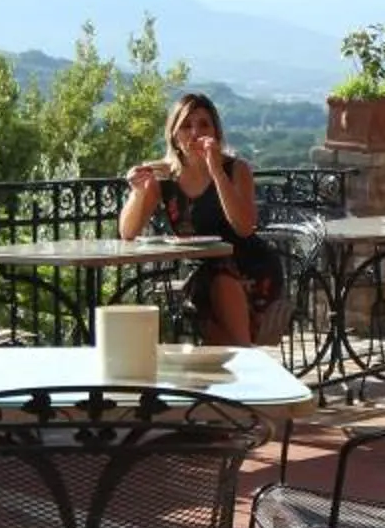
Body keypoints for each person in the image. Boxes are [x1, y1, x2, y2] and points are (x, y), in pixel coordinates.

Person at [119, 92, 282, 346]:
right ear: (174, 134)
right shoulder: (164, 176)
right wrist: (138, 191)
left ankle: (247, 355)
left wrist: (216, 171)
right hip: (201, 270)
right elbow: (128, 232)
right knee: (222, 343)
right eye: (186, 126)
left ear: (216, 132)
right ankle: (247, 359)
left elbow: (244, 227)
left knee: (222, 285)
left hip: (250, 266)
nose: (195, 133)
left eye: (204, 125)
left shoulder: (236, 169)